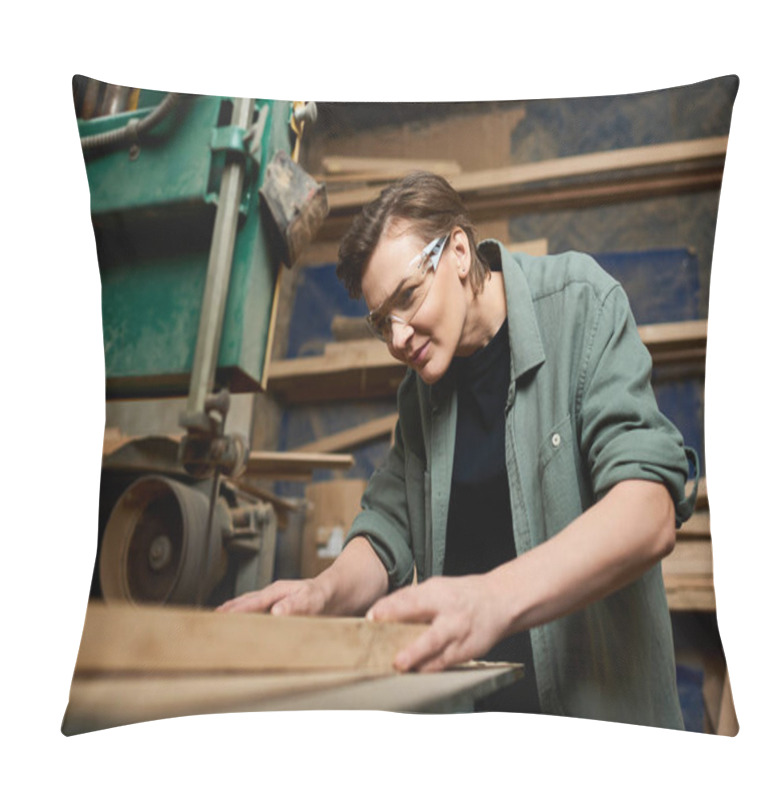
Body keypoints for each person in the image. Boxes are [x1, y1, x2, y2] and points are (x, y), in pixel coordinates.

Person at [218, 171, 698, 728]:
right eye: (381, 322)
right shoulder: (420, 395)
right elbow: (387, 528)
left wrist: (493, 598)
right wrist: (322, 594)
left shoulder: (579, 305)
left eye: (407, 296)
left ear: (461, 252)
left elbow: (648, 511)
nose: (397, 338)